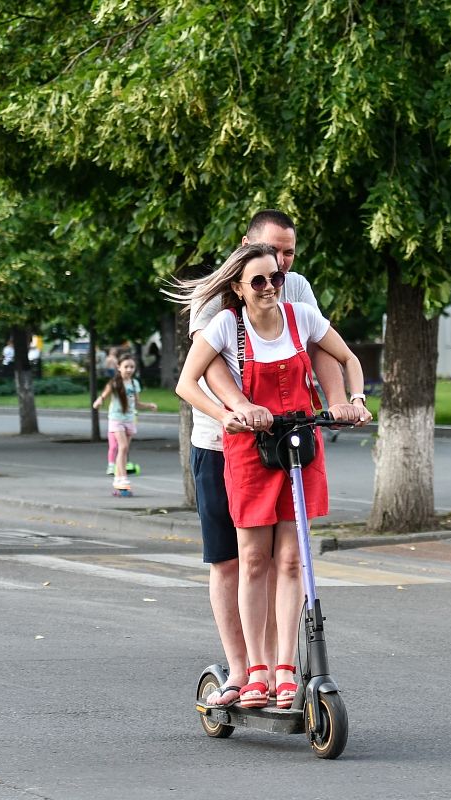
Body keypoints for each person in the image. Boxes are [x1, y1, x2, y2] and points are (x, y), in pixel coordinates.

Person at [173, 242, 371, 709]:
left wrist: (353, 401)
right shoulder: (226, 325)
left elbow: (348, 359)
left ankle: (286, 669)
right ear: (239, 289)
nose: (269, 288)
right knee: (253, 559)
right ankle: (255, 671)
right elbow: (186, 383)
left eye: (275, 278)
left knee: (290, 560)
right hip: (250, 453)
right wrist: (226, 414)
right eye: (258, 281)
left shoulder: (301, 317)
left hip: (298, 446)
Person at [91, 355, 157, 493]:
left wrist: (149, 405)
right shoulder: (114, 383)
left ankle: (119, 477)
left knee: (125, 449)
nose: (129, 369)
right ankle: (121, 477)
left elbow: (137, 403)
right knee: (123, 446)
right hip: (116, 419)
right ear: (119, 367)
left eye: (132, 367)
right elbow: (104, 395)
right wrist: (99, 401)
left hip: (129, 419)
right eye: (126, 366)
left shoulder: (134, 384)